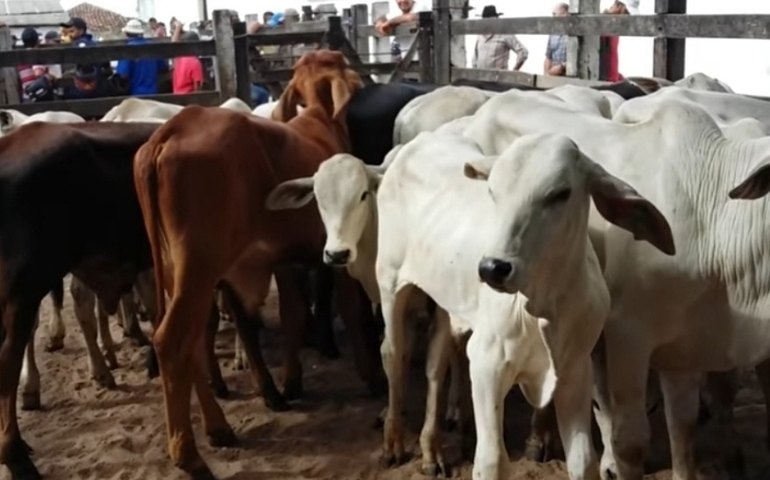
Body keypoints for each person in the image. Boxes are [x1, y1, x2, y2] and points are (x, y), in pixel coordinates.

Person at [116, 19, 169, 95]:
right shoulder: (153, 48)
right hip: (153, 93)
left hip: (135, 93)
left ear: (127, 34)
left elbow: (123, 74)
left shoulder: (127, 50)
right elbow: (163, 67)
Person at [472, 5, 528, 71]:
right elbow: (475, 58)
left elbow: (523, 52)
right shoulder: (480, 36)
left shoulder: (505, 34)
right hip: (480, 78)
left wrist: (514, 71)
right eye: (485, 21)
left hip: (498, 79)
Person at [600, 0, 638, 82]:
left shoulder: (614, 26)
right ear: (619, 7)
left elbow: (611, 58)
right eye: (627, 13)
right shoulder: (602, 25)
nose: (628, 19)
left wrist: (618, 77)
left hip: (611, 80)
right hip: (604, 82)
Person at [171, 21, 204, 94]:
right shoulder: (195, 62)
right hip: (189, 99)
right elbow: (197, 87)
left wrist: (178, 28)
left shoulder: (178, 58)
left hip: (176, 96)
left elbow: (174, 44)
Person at [544, 3, 569, 76]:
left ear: (564, 14)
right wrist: (546, 76)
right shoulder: (553, 34)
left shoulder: (573, 35)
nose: (553, 17)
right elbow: (548, 57)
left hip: (569, 77)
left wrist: (562, 67)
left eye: (554, 14)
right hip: (553, 76)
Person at [17, 28, 40, 102]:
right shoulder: (39, 55)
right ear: (37, 40)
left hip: (26, 96)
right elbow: (38, 73)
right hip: (39, 95)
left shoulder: (19, 57)